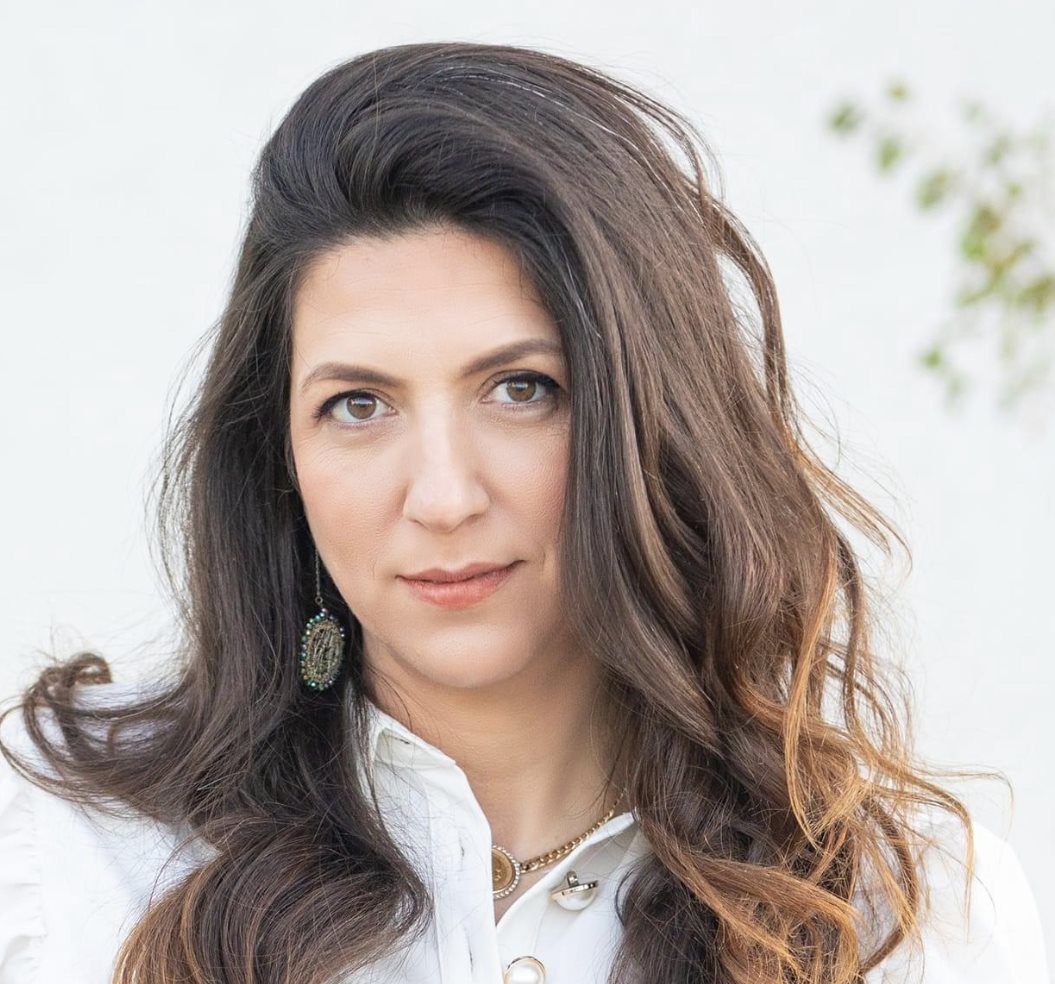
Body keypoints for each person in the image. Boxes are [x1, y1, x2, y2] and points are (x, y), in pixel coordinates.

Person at [0, 40, 1048, 984]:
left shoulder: (900, 915)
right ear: (278, 454)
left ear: (654, 420)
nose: (443, 497)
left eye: (520, 389)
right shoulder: (62, 856)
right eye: (357, 405)